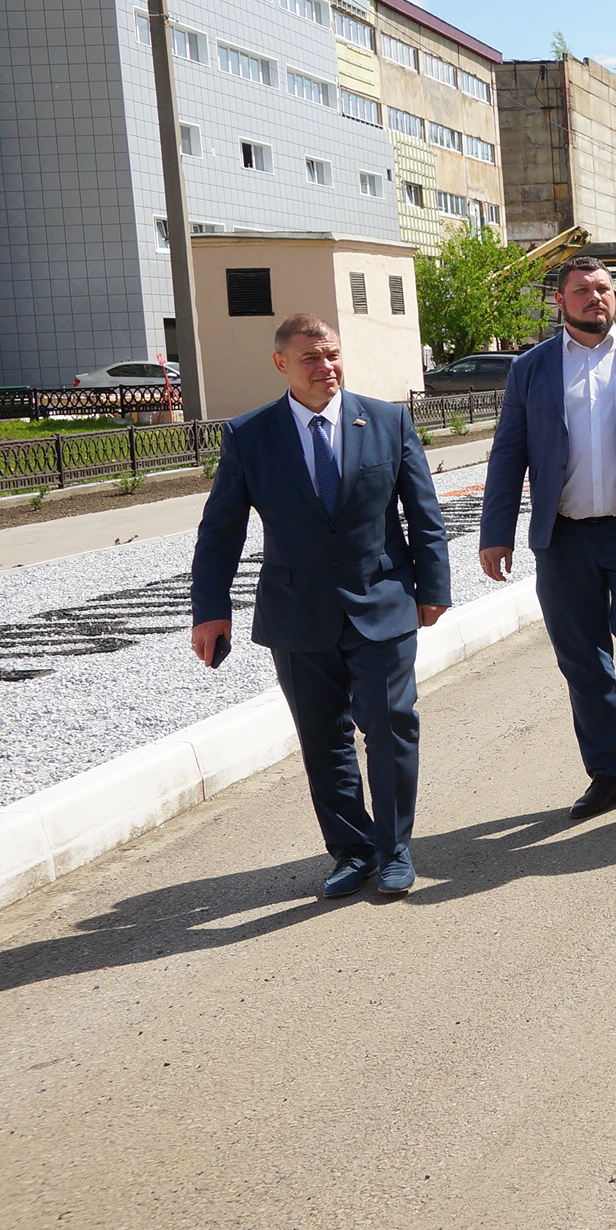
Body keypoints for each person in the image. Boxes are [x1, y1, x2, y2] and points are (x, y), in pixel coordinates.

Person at [190, 315, 448, 897]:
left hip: (381, 600)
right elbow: (220, 530)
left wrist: (433, 587)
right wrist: (210, 608)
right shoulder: (250, 435)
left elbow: (423, 513)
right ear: (281, 363)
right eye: (310, 357)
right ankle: (353, 850)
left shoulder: (386, 421)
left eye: (331, 354)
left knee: (391, 724)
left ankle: (395, 848)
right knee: (322, 737)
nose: (325, 367)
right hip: (296, 611)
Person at [480, 257, 616, 822]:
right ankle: (609, 772)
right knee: (582, 656)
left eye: (603, 288)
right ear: (561, 301)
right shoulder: (530, 369)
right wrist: (496, 533)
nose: (595, 297)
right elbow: (508, 453)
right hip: (564, 537)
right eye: (582, 290)